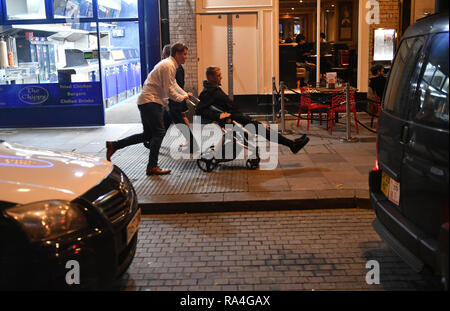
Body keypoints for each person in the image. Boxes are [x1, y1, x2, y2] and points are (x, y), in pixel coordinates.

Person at [107, 43, 192, 175]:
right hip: (150, 101)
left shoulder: (170, 64)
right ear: (177, 54)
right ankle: (152, 166)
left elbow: (173, 84)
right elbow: (168, 89)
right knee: (159, 133)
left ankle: (114, 145)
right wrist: (181, 98)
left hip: (148, 101)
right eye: (184, 54)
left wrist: (184, 94)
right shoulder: (168, 66)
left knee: (148, 135)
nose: (186, 57)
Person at [196, 66, 309, 154]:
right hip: (233, 120)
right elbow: (200, 110)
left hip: (236, 117)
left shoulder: (213, 89)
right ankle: (292, 145)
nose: (221, 77)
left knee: (264, 129)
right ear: (211, 77)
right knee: (264, 129)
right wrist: (218, 116)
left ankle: (292, 144)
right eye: (219, 75)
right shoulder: (208, 93)